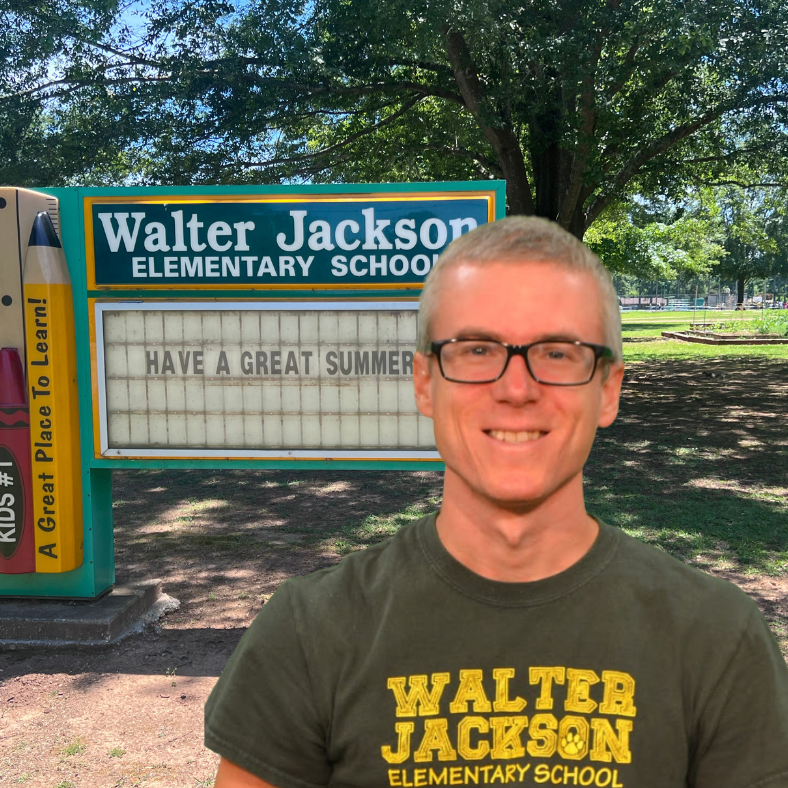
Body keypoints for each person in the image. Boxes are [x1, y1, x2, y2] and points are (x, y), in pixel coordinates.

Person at [205, 216, 788, 788]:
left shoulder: (717, 638)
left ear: (607, 389)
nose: (516, 389)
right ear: (425, 383)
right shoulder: (309, 631)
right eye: (477, 349)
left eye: (559, 352)